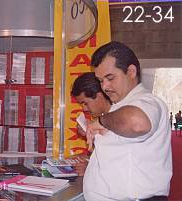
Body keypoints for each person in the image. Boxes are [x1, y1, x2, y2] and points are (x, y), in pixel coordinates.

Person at [83, 41, 172, 201]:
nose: (105, 86)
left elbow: (136, 122)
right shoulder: (119, 107)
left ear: (131, 72)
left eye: (110, 78)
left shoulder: (148, 102)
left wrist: (101, 121)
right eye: (101, 80)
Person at [70, 72, 112, 176]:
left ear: (99, 95)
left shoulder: (117, 120)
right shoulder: (102, 118)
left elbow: (117, 165)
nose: (84, 108)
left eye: (85, 103)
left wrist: (90, 169)